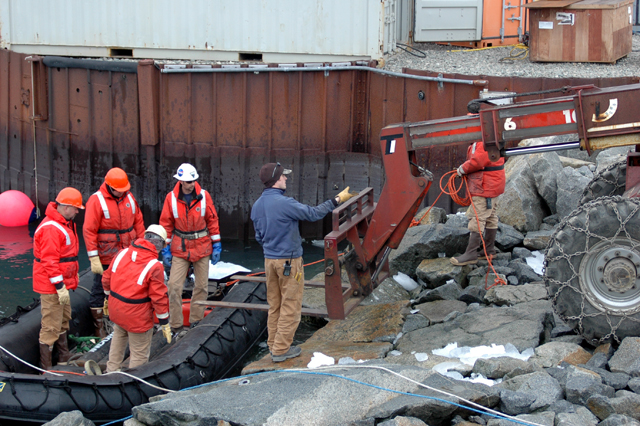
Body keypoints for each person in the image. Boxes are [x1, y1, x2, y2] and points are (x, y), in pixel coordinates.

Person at [251, 162, 356, 363]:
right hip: (289, 262)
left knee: (275, 306)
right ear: (275, 180)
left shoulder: (257, 206)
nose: (286, 179)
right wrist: (337, 199)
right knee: (290, 305)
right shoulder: (285, 203)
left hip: (269, 261)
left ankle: (274, 345)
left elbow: (259, 237)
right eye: (283, 176)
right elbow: (313, 214)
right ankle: (281, 350)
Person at [83, 167, 145, 338]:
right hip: (107, 254)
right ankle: (99, 327)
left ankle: (125, 319)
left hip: (127, 252)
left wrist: (143, 246)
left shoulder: (129, 198)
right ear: (110, 187)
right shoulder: (97, 201)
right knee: (100, 287)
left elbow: (138, 222)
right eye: (119, 191)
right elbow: (89, 230)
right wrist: (93, 257)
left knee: (129, 286)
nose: (121, 193)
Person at [159, 163, 222, 333]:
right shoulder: (170, 199)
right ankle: (176, 325)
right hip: (180, 248)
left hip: (202, 246)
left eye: (193, 180)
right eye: (188, 181)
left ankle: (196, 320)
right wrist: (165, 248)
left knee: (201, 287)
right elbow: (166, 224)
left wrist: (216, 244)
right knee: (173, 286)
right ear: (180, 181)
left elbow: (212, 220)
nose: (191, 184)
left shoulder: (204, 196)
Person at [102, 225, 172, 372]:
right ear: (161, 245)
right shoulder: (155, 266)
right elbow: (158, 297)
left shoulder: (122, 253)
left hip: (117, 310)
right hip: (137, 317)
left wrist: (109, 299)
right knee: (139, 353)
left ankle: (111, 372)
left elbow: (107, 278)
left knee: (119, 336)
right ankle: (134, 381)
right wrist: (164, 322)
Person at [33, 187, 84, 371]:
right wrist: (60, 286)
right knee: (50, 326)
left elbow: (65, 256)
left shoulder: (63, 223)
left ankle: (63, 358)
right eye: (76, 208)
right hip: (51, 286)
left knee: (63, 319)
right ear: (66, 207)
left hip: (61, 282)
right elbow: (49, 261)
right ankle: (45, 368)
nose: (78, 211)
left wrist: (70, 277)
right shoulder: (51, 229)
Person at [450, 141, 506, 266]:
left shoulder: (484, 142)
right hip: (494, 184)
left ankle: (471, 254)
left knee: (477, 218)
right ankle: (489, 250)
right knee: (491, 216)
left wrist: (462, 170)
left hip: (484, 186)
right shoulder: (493, 139)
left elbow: (477, 161)